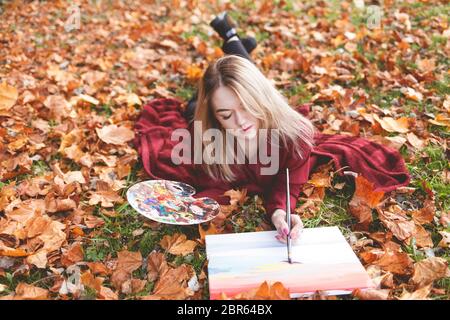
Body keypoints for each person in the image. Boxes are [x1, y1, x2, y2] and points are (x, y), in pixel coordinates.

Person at [133, 12, 411, 245]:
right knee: (200, 100)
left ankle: (233, 40)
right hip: (198, 110)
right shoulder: (207, 135)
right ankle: (235, 42)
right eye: (227, 114)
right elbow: (211, 181)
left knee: (241, 75)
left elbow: (286, 181)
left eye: (247, 106)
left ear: (261, 100)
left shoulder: (292, 137)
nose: (240, 121)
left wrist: (280, 212)